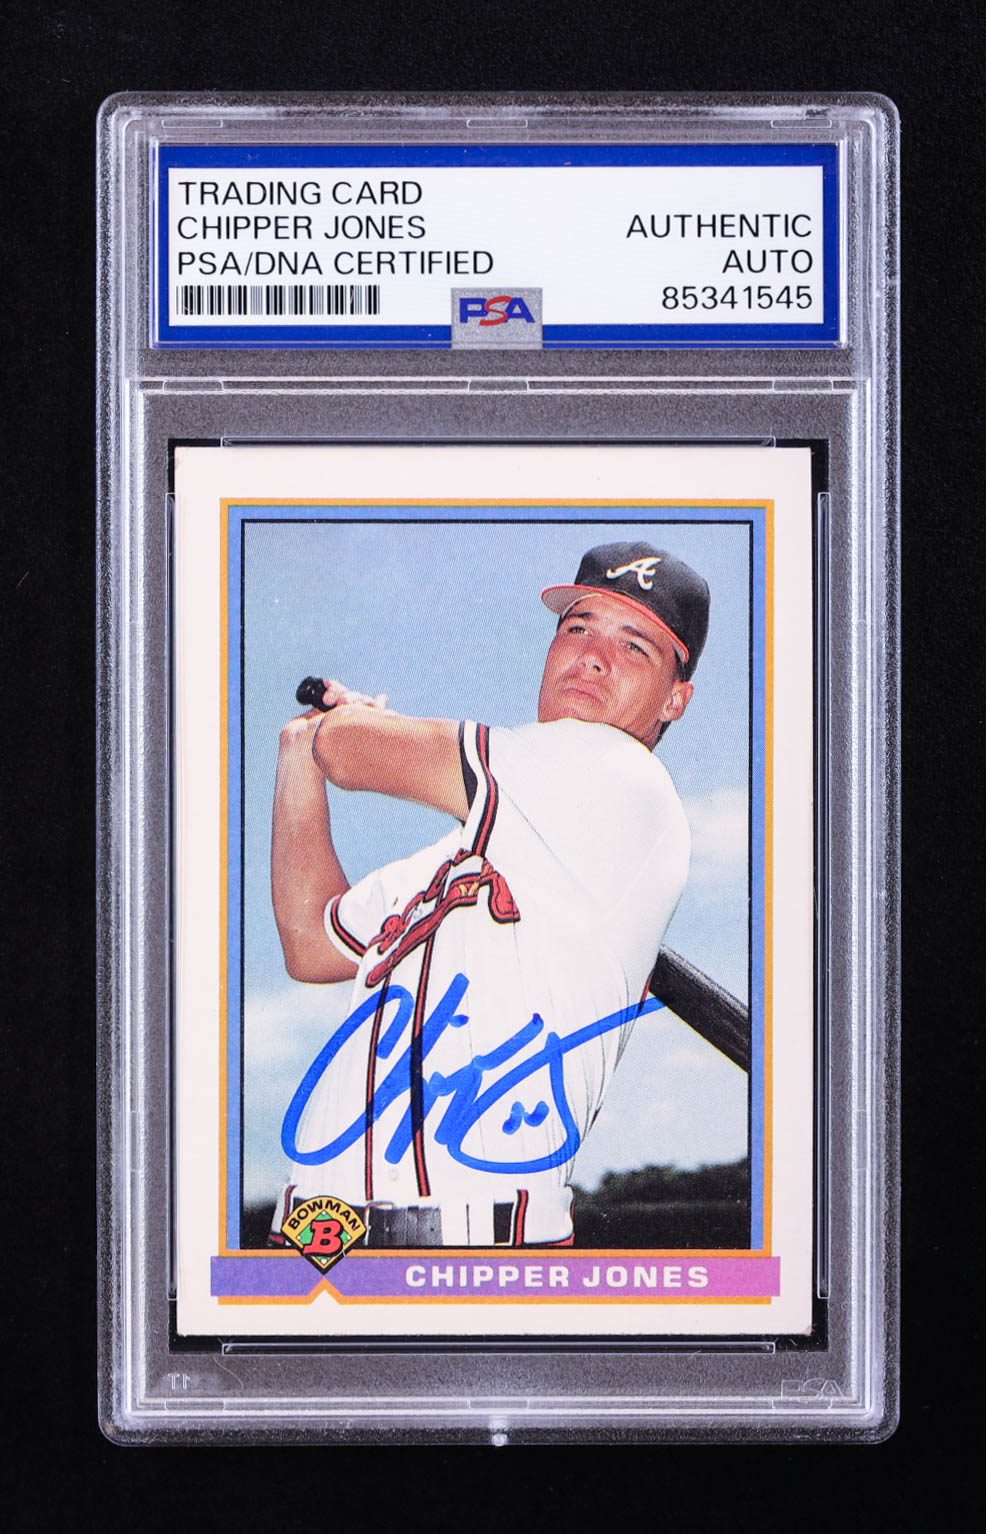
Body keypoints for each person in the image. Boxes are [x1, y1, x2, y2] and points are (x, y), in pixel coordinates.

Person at [269, 541, 710, 1248]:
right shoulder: (458, 852)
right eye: (578, 627)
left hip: (479, 1251)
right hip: (318, 1243)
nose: (594, 656)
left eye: (635, 647)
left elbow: (349, 749)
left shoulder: (623, 779)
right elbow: (312, 945)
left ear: (675, 699)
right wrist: (300, 752)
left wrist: (340, 729)